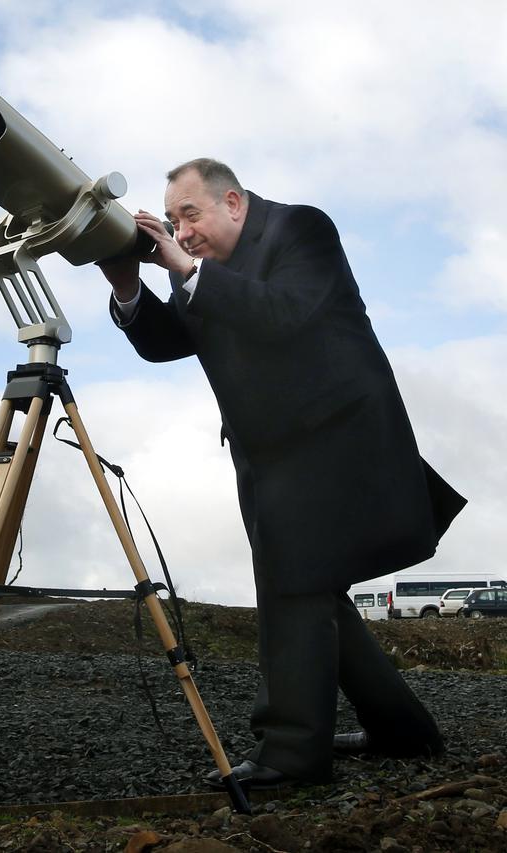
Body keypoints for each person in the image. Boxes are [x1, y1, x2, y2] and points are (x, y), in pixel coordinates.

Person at [97, 158, 466, 788]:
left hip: (337, 438)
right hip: (270, 450)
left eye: (192, 215)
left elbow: (285, 312)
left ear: (234, 203)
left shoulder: (302, 231)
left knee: (293, 589)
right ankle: (404, 731)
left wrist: (187, 272)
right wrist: (129, 284)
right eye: (174, 222)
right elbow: (167, 341)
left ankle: (291, 755)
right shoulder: (205, 273)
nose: (181, 233)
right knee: (309, 587)